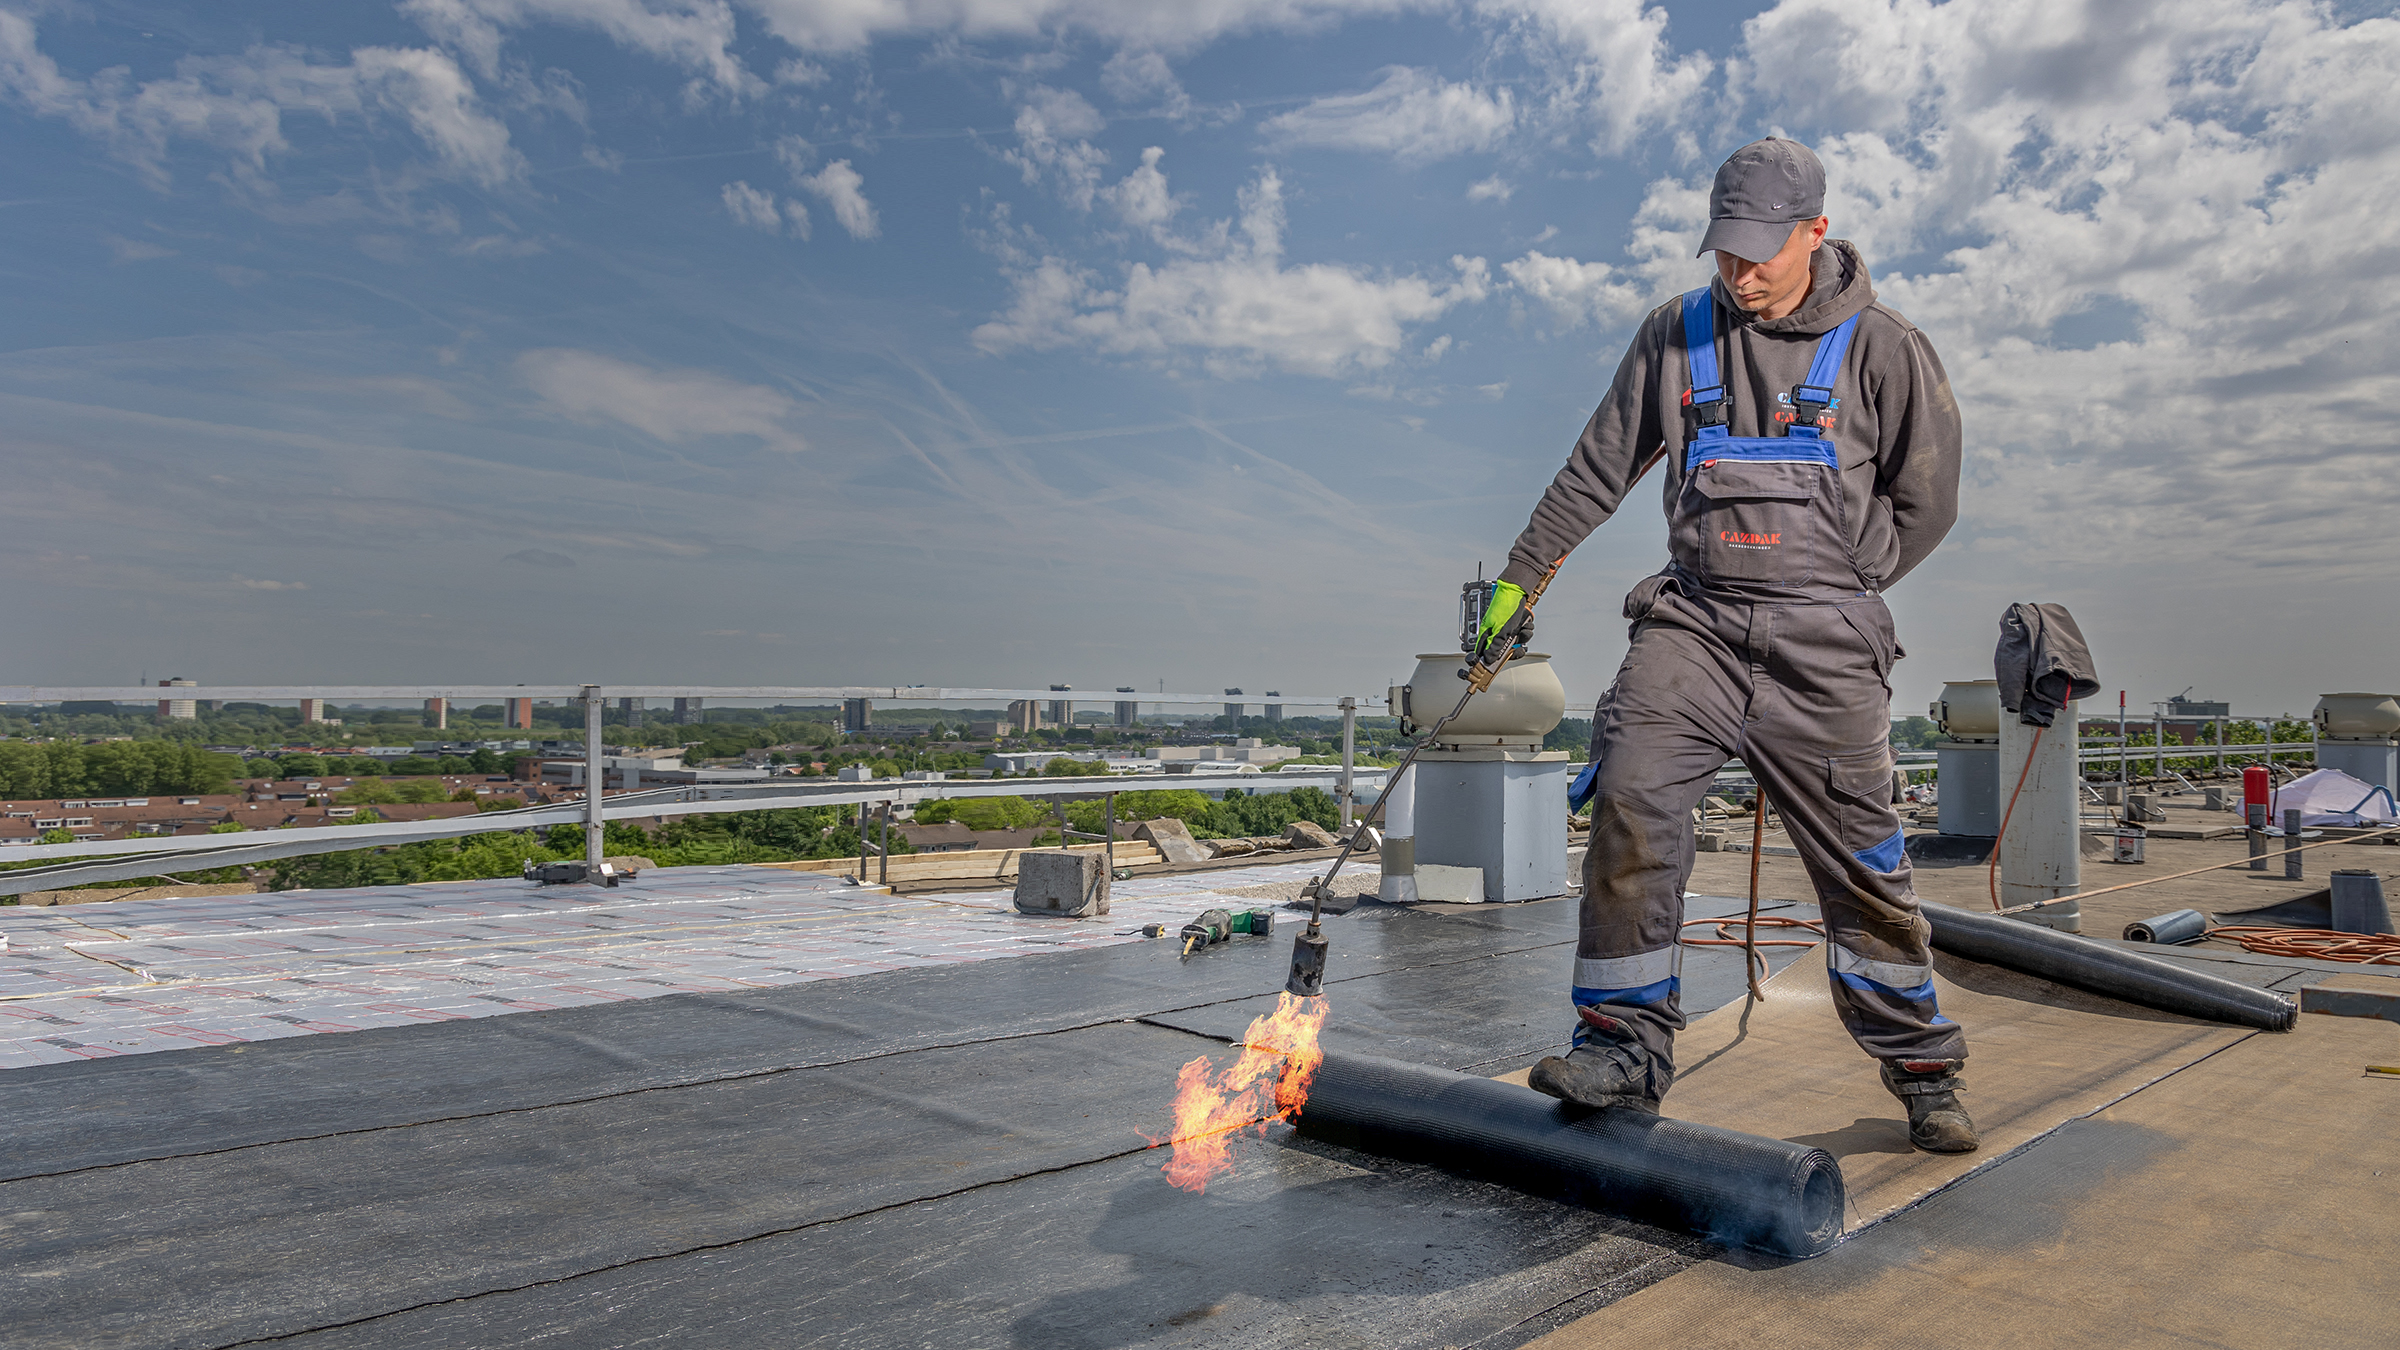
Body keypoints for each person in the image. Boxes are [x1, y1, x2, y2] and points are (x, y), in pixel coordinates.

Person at [1472, 137, 1975, 1152]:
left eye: (1761, 253)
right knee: (1631, 800)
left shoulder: (1885, 347)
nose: (1741, 273)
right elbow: (1594, 470)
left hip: (1824, 643)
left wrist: (1846, 578)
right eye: (1726, 252)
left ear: (1816, 232)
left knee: (1863, 863)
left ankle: (1923, 1066)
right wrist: (1521, 578)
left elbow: (1928, 501)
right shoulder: (1676, 334)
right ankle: (1621, 1049)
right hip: (1695, 625)